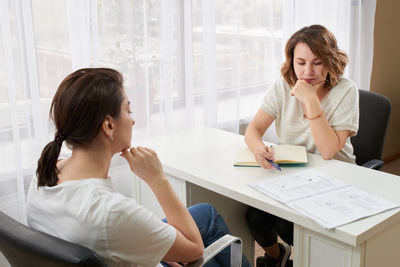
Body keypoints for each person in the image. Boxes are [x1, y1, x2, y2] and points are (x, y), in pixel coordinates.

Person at [26, 68, 251, 267]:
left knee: (205, 214)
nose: (132, 121)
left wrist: (153, 249)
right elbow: (195, 250)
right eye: (128, 111)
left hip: (106, 248)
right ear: (109, 125)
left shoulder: (45, 171)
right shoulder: (111, 211)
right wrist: (157, 179)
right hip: (110, 243)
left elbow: (115, 235)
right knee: (206, 239)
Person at [244, 25, 359, 267]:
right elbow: (253, 130)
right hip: (294, 176)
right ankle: (277, 257)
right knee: (254, 217)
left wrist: (310, 101)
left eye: (317, 63)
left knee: (289, 226)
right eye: (301, 62)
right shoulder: (283, 86)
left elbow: (328, 151)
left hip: (335, 178)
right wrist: (257, 148)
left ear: (330, 61)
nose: (308, 71)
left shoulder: (346, 90)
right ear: (291, 62)